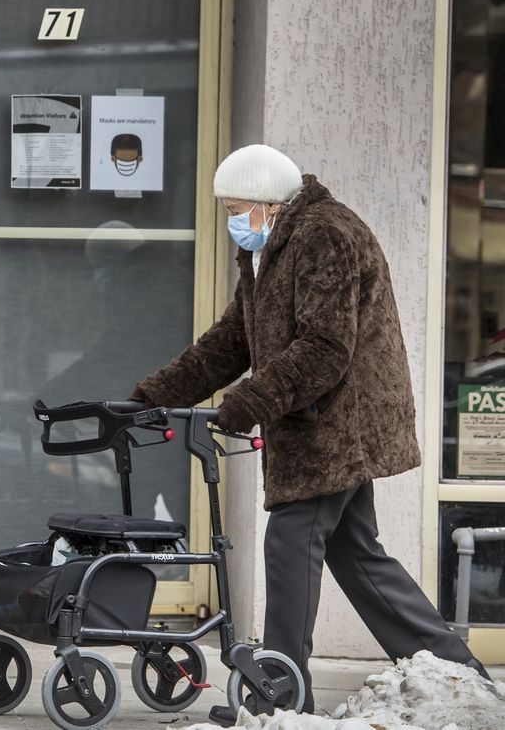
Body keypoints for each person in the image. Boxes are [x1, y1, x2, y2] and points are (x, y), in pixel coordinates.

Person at [130, 144, 490, 724]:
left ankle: (278, 694)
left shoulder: (325, 236)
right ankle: (456, 675)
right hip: (320, 420)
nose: (232, 223)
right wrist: (153, 395)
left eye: (238, 209)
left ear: (272, 205)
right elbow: (235, 337)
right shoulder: (271, 243)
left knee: (292, 541)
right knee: (358, 556)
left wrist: (249, 400)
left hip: (337, 423)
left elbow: (325, 348)